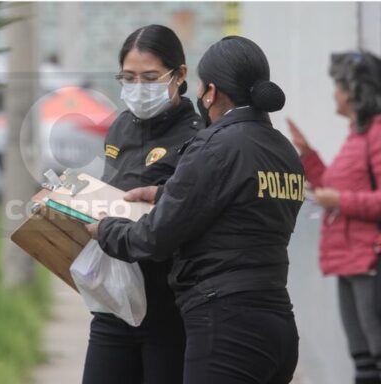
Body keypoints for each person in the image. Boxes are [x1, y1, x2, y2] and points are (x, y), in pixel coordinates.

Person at [86, 35, 304, 384]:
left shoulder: (215, 144)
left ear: (211, 92)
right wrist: (165, 193)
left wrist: (105, 230)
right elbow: (236, 208)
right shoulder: (283, 150)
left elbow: (155, 237)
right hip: (277, 320)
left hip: (225, 322)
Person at [81, 24, 203, 384]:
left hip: (168, 309)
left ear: (180, 74)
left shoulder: (197, 138)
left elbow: (181, 220)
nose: (138, 89)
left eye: (149, 77)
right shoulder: (120, 127)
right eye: (128, 78)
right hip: (114, 304)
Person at [288, 51, 381, 384]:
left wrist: (340, 200)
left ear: (356, 91)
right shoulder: (357, 136)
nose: (334, 94)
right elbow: (332, 187)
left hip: (370, 260)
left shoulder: (376, 135)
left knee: (375, 354)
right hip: (351, 260)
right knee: (363, 358)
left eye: (339, 86)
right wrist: (308, 155)